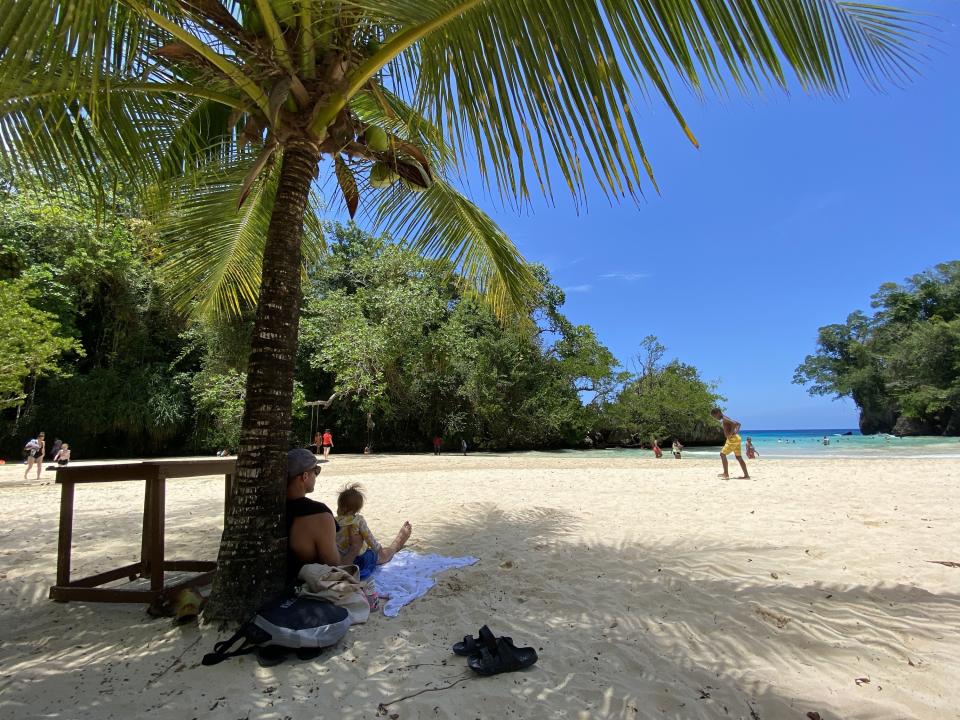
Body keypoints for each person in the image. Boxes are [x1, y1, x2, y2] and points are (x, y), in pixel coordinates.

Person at [286, 448, 363, 588]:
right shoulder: (319, 514)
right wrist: (355, 547)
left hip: (285, 577)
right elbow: (335, 567)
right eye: (316, 471)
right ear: (305, 476)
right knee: (369, 557)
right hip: (304, 585)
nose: (317, 475)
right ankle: (394, 547)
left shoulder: (271, 508)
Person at [335, 483, 412, 578]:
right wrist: (379, 550)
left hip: (342, 558)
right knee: (382, 556)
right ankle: (396, 545)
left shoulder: (334, 521)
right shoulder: (358, 520)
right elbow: (368, 537)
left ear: (341, 507)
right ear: (357, 509)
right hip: (360, 558)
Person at [710, 408, 750, 479]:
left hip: (732, 439)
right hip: (736, 438)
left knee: (722, 454)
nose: (715, 418)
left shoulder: (725, 418)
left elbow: (735, 424)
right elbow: (738, 424)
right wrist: (735, 433)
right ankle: (746, 475)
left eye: (714, 416)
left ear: (718, 413)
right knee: (738, 457)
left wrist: (730, 434)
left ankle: (726, 474)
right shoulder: (726, 418)